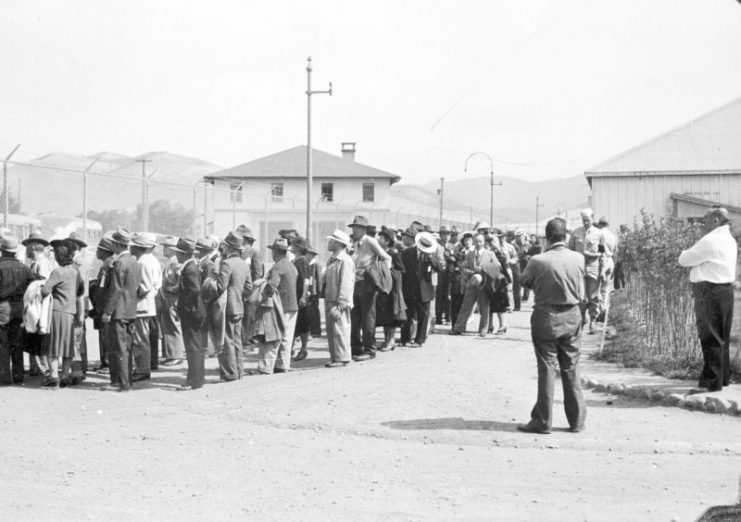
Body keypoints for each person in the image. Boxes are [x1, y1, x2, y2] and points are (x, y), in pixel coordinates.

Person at [517, 217, 586, 434]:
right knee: (571, 367)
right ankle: (577, 421)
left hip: (546, 316)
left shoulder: (539, 260)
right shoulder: (578, 258)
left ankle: (542, 421)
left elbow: (523, 281)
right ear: (565, 236)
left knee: (547, 368)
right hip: (573, 314)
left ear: (547, 237)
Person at [678, 207, 737, 393]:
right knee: (722, 337)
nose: (703, 223)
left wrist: (684, 250)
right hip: (725, 291)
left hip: (709, 292)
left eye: (706, 219)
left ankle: (711, 383)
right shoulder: (729, 239)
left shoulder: (711, 239)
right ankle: (722, 378)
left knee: (710, 337)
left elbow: (685, 260)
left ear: (717, 219)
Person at [100, 228, 141, 392]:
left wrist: (107, 311)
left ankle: (123, 383)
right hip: (131, 310)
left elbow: (115, 289)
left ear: (117, 244)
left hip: (119, 312)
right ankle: (125, 380)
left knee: (119, 348)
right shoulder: (134, 262)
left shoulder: (120, 263)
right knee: (127, 347)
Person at [41, 239, 85, 388]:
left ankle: (54, 376)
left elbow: (45, 290)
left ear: (58, 257)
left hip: (57, 313)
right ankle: (65, 375)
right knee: (67, 346)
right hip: (70, 313)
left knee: (53, 345)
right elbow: (80, 292)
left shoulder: (58, 271)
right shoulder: (75, 271)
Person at [348, 215, 391, 361]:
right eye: (353, 227)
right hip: (354, 283)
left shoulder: (370, 241)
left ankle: (370, 349)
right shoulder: (353, 243)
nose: (354, 230)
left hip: (367, 283)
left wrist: (379, 274)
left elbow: (386, 258)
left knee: (368, 318)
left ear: (363, 229)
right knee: (355, 317)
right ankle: (356, 348)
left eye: (356, 227)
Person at [214, 230, 250, 381]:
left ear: (228, 248)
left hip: (227, 307)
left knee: (227, 341)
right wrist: (238, 295)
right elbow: (248, 288)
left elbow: (220, 286)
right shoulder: (243, 264)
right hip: (239, 306)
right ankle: (239, 370)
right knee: (237, 340)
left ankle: (230, 373)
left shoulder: (226, 264)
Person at [0, 237, 37, 386]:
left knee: (2, 343)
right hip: (20, 307)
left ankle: (4, 377)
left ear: (2, 250)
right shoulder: (25, 268)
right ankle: (18, 375)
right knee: (18, 343)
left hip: (3, 307)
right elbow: (34, 286)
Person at [259, 238, 298, 373]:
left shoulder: (277, 267)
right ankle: (283, 365)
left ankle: (266, 367)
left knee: (273, 337)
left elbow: (272, 286)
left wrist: (262, 288)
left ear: (276, 252)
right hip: (293, 306)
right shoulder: (292, 266)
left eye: (273, 251)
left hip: (280, 306)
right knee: (287, 338)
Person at [400, 231, 444, 347]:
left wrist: (431, 259)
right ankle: (405, 339)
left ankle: (419, 340)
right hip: (409, 288)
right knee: (407, 315)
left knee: (423, 315)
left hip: (425, 289)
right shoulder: (407, 253)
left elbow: (440, 268)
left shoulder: (431, 255)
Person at [173, 238, 207, 390]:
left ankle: (194, 380)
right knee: (195, 346)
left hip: (192, 313)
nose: (176, 255)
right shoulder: (191, 266)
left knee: (193, 347)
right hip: (194, 311)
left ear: (185, 254)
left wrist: (185, 306)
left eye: (179, 252)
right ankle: (196, 379)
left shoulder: (189, 268)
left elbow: (195, 290)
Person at [450, 233, 499, 336]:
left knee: (484, 307)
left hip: (484, 283)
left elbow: (497, 267)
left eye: (480, 241)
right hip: (472, 283)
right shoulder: (470, 254)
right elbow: (465, 267)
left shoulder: (490, 254)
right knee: (466, 305)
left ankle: (483, 329)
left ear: (484, 242)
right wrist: (468, 272)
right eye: (476, 241)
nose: (478, 243)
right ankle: (459, 327)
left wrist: (484, 269)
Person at [130, 232, 161, 382]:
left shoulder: (143, 261)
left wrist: (131, 292)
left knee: (140, 339)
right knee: (142, 338)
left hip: (141, 304)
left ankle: (142, 369)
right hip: (146, 303)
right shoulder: (152, 260)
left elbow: (145, 286)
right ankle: (143, 367)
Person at [323, 230, 355, 368]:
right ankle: (336, 357)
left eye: (331, 241)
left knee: (341, 328)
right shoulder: (332, 259)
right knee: (332, 330)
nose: (329, 243)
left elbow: (346, 283)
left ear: (338, 243)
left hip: (339, 301)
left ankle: (343, 357)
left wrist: (342, 303)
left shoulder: (345, 260)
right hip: (330, 298)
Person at [568, 208, 603, 334]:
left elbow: (603, 252)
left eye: (588, 220)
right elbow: (570, 250)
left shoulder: (599, 234)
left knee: (593, 295)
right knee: (580, 295)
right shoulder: (576, 233)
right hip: (579, 268)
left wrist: (595, 256)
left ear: (592, 219)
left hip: (593, 267)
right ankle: (581, 320)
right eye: (584, 221)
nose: (586, 223)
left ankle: (593, 321)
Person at [22, 231, 52, 376]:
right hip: (35, 306)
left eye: (27, 247)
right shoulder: (36, 263)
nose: (26, 250)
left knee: (40, 339)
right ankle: (37, 368)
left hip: (39, 307)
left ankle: (45, 370)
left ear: (33, 247)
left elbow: (44, 288)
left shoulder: (42, 264)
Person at [375, 226, 406, 351]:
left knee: (392, 317)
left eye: (381, 238)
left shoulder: (393, 253)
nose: (378, 240)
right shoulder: (379, 253)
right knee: (384, 316)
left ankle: (391, 341)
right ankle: (386, 340)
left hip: (392, 289)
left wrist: (389, 270)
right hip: (383, 289)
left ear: (387, 241)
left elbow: (401, 270)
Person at [88, 234, 115, 373]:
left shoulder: (107, 265)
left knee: (106, 335)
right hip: (101, 306)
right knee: (103, 335)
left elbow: (103, 288)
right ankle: (104, 361)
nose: (97, 252)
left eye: (99, 249)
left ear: (105, 251)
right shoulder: (106, 263)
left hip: (104, 306)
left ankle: (107, 363)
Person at [159, 235, 184, 367]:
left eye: (167, 247)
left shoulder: (175, 262)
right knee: (168, 325)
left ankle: (176, 355)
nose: (164, 249)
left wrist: (171, 289)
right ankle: (171, 354)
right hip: (167, 296)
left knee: (173, 325)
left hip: (172, 297)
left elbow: (181, 280)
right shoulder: (170, 261)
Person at [290, 236, 317, 361]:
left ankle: (303, 349)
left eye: (294, 245)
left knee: (303, 324)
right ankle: (291, 348)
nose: (291, 247)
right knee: (296, 324)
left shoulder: (302, 262)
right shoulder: (295, 261)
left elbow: (306, 280)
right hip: (295, 297)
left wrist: (303, 296)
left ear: (298, 248)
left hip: (301, 298)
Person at [595, 216, 618, 321]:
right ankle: (604, 310)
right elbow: (615, 251)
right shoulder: (612, 236)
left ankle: (601, 312)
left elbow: (600, 250)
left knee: (598, 289)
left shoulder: (600, 234)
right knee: (606, 289)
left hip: (603, 261)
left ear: (600, 224)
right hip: (610, 260)